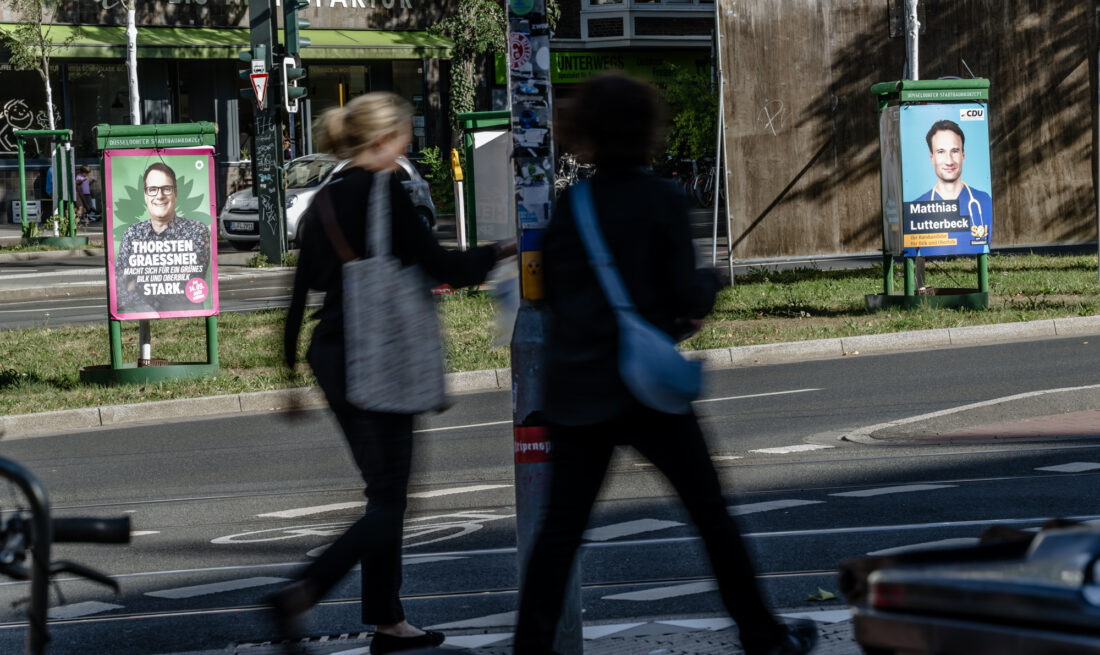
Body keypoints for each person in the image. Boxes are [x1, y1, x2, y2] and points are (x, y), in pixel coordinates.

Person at [512, 74, 819, 655]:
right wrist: (708, 283)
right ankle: (762, 635)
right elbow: (687, 297)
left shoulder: (572, 205)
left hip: (579, 390)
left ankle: (530, 649)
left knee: (560, 532)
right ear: (644, 130)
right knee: (709, 514)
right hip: (648, 393)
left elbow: (547, 291)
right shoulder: (663, 200)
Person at [274, 92, 516, 655]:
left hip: (332, 355)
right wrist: (505, 249)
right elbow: (445, 269)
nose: (408, 144)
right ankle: (304, 590)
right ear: (385, 140)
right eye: (405, 135)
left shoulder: (322, 202)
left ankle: (387, 621)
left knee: (383, 494)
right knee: (390, 498)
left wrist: (288, 379)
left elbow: (294, 296)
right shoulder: (389, 192)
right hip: (380, 352)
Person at [114, 162, 212, 314]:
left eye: (166, 189)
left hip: (186, 319)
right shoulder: (132, 234)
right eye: (152, 189)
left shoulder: (197, 231)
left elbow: (189, 281)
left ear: (176, 193)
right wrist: (147, 309)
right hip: (141, 313)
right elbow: (120, 288)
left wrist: (138, 280)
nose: (159, 196)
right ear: (145, 196)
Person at [915, 119, 992, 241]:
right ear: (932, 157)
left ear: (963, 155)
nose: (949, 161)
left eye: (954, 151)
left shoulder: (983, 201)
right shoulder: (917, 206)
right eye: (941, 152)